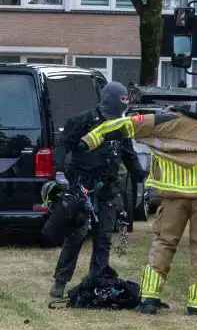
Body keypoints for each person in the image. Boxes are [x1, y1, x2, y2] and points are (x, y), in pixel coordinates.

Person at [80, 83, 197, 315]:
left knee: (163, 244)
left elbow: (128, 124)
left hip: (172, 198)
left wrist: (91, 138)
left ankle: (149, 299)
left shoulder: (168, 120)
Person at [49, 82, 147, 299]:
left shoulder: (122, 126)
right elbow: (63, 144)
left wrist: (140, 175)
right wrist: (58, 171)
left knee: (103, 238)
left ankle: (95, 282)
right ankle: (60, 281)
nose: (124, 105)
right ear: (110, 99)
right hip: (82, 186)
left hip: (108, 188)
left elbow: (129, 154)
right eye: (121, 100)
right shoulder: (82, 120)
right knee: (77, 234)